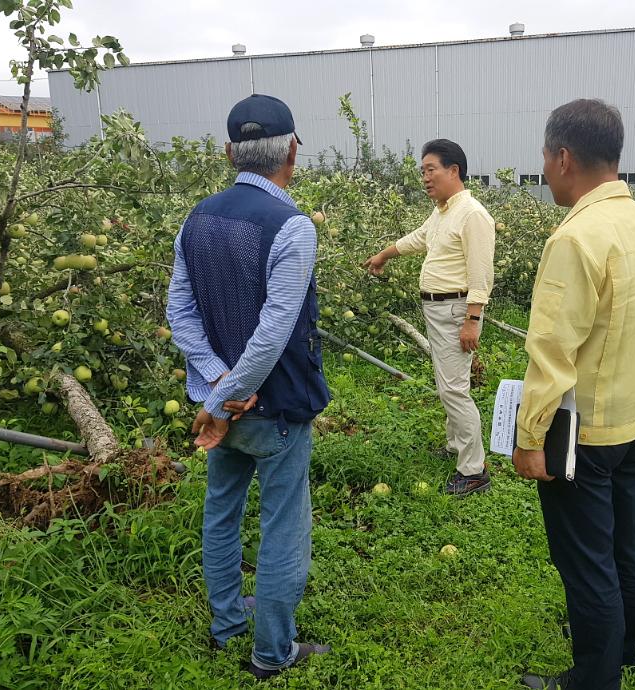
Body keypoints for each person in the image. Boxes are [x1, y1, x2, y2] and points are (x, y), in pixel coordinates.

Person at [513, 99, 635, 690]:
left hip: (580, 431)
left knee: (586, 561)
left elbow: (552, 350)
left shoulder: (578, 238)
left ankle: (593, 677)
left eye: (543, 158)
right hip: (634, 419)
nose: (545, 169)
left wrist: (530, 436)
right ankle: (626, 646)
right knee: (625, 538)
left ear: (563, 157)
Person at [166, 94, 331, 680]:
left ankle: (228, 623)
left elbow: (179, 312)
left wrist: (213, 389)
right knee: (284, 522)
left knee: (221, 511)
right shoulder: (292, 226)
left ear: (229, 151)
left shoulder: (198, 217)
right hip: (275, 404)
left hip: (221, 408)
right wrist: (232, 392)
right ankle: (272, 652)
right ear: (291, 151)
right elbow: (273, 332)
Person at [363, 139, 496, 496]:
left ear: (454, 171)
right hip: (439, 309)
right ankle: (456, 445)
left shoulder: (472, 215)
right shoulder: (443, 212)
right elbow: (418, 239)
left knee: (454, 388)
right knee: (447, 383)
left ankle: (474, 469)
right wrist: (384, 254)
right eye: (422, 171)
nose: (425, 177)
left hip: (456, 309)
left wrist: (472, 318)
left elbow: (481, 273)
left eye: (431, 169)